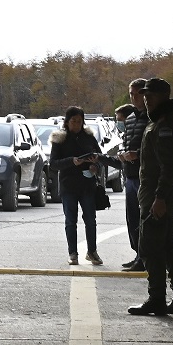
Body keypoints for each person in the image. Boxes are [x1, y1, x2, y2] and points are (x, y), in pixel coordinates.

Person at [127, 78, 173, 316]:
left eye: (151, 95)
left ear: (164, 96)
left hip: (158, 197)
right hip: (156, 195)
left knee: (150, 247)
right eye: (144, 95)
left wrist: (160, 197)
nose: (146, 98)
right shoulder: (160, 122)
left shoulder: (166, 125)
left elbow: (170, 166)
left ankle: (157, 299)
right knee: (166, 245)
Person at [49, 106, 108, 266]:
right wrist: (71, 161)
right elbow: (53, 164)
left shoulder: (89, 137)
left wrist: (95, 166)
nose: (76, 124)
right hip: (68, 185)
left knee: (90, 219)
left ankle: (92, 251)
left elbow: (101, 157)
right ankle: (72, 253)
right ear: (67, 122)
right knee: (70, 220)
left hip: (87, 184)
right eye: (73, 121)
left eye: (79, 121)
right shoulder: (59, 138)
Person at [119, 78, 149, 272]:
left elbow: (154, 148)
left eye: (137, 93)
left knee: (144, 218)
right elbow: (126, 142)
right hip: (129, 174)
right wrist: (123, 153)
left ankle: (145, 257)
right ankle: (138, 253)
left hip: (144, 175)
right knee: (132, 217)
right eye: (131, 94)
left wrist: (136, 155)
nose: (134, 97)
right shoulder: (129, 119)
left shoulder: (151, 118)